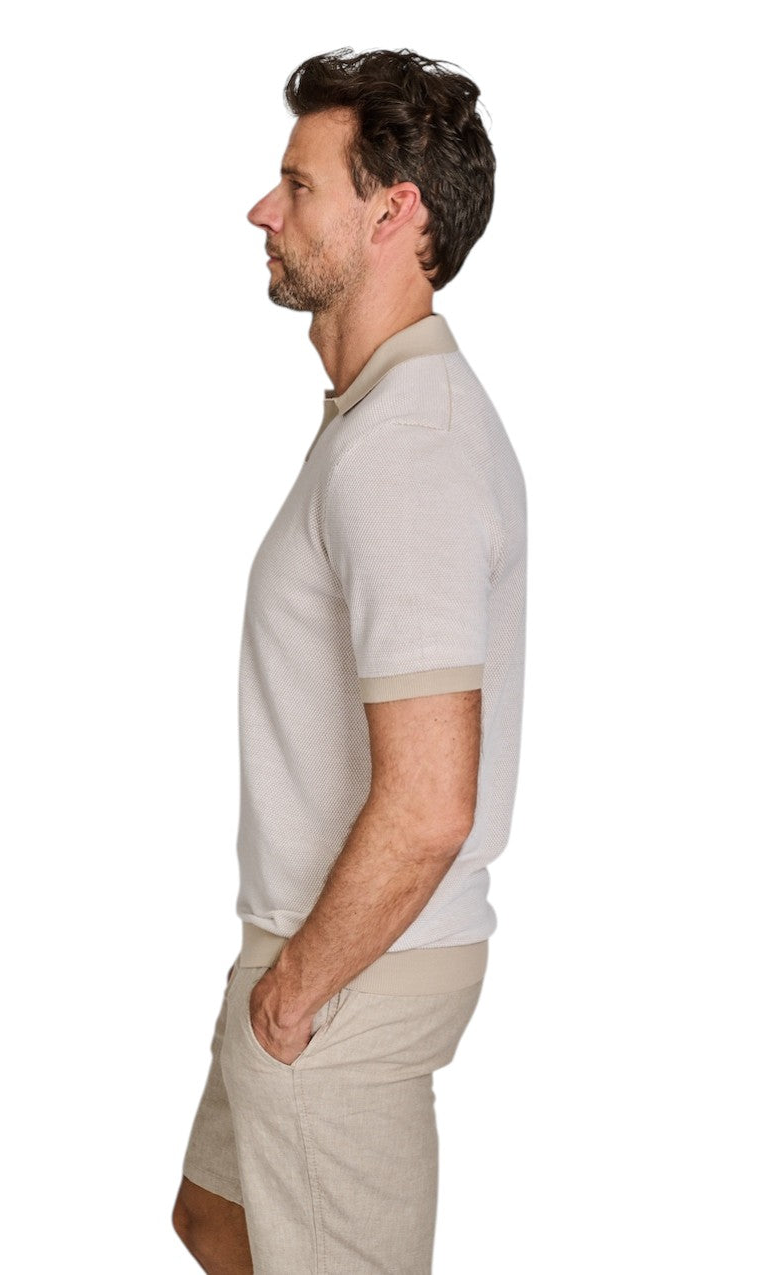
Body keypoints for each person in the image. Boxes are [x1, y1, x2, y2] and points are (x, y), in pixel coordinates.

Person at [172, 46, 527, 1275]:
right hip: (310, 947)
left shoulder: (407, 452)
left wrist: (294, 995)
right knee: (218, 1221)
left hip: (349, 971)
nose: (263, 212)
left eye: (297, 185)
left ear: (393, 214)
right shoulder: (373, 421)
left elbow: (431, 806)